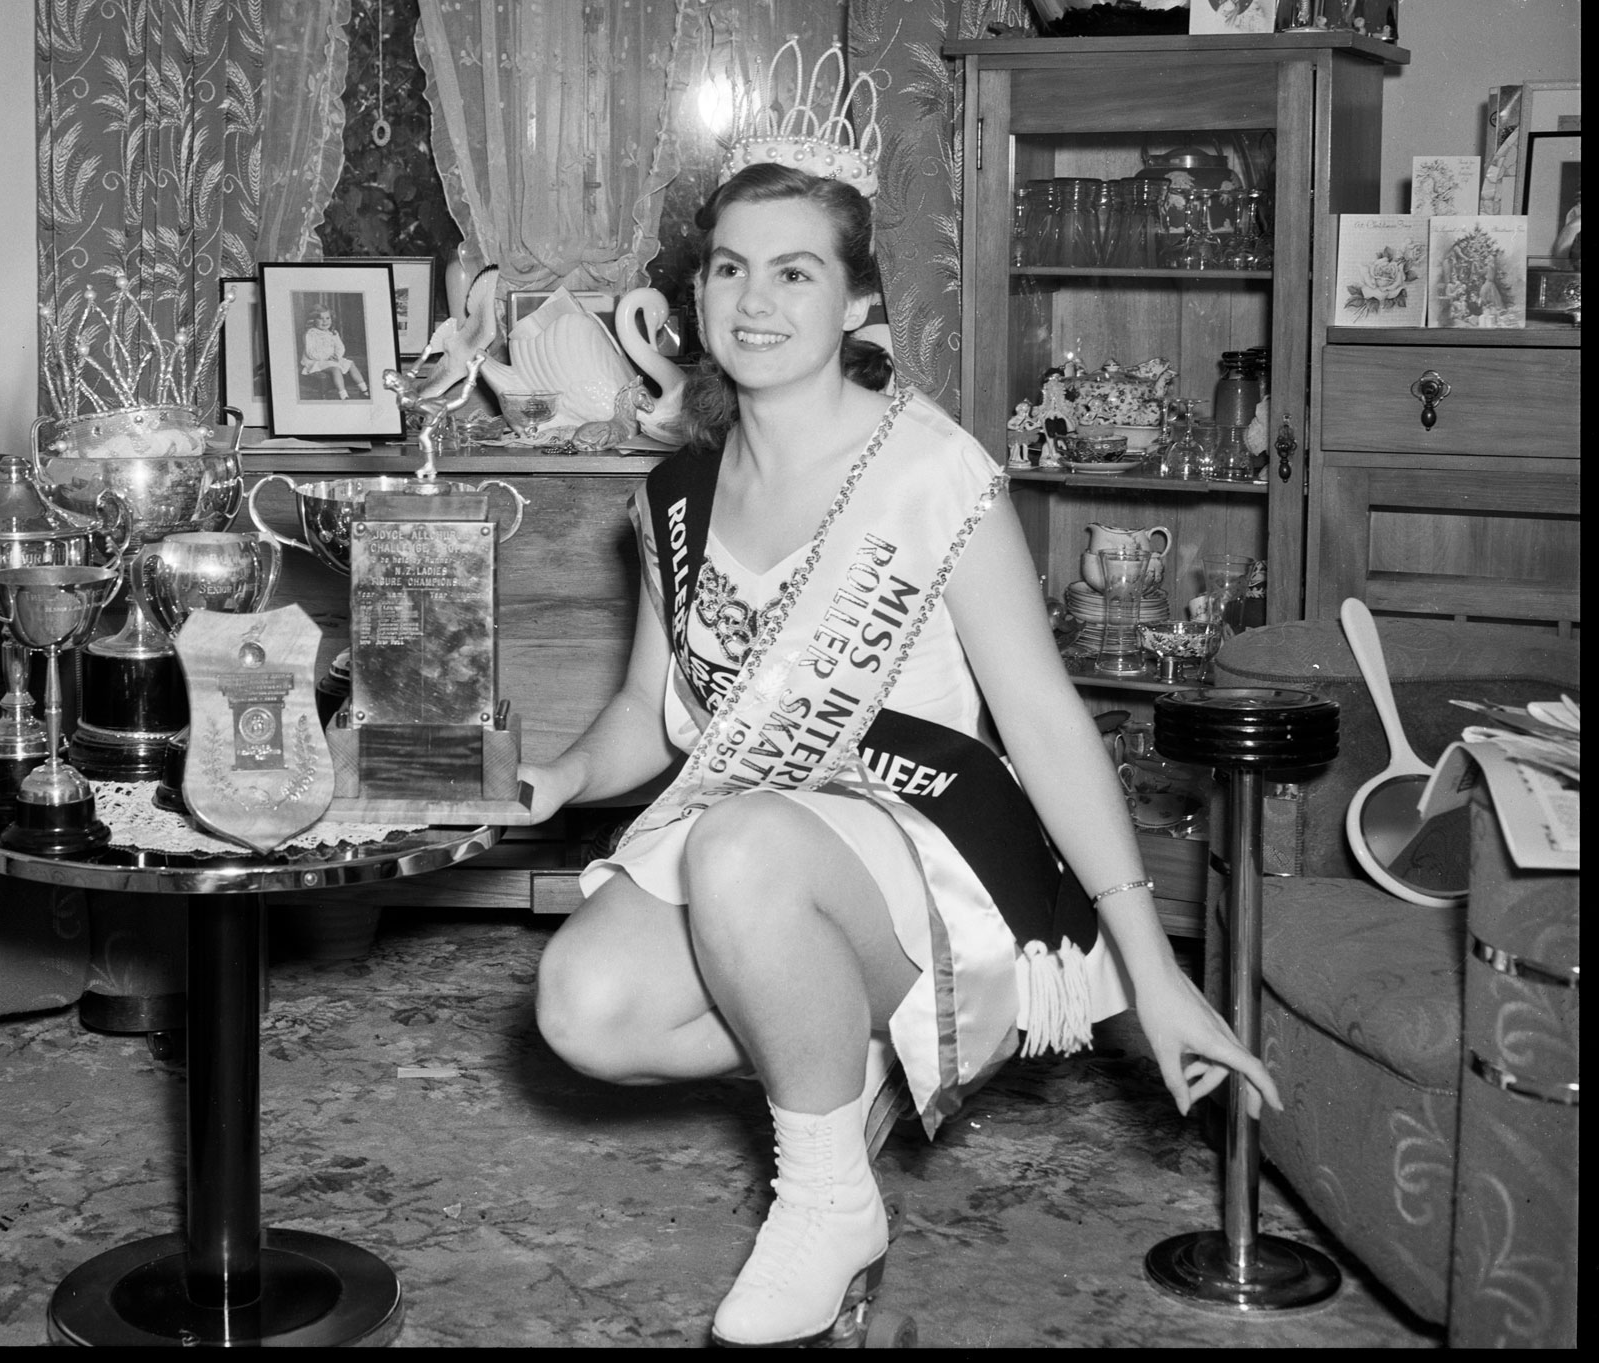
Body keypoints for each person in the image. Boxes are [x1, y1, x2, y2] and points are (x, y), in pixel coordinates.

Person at [522, 162, 1279, 1346]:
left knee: (737, 849)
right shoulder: (675, 495)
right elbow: (646, 710)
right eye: (730, 268)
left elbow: (1041, 716)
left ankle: (826, 1201)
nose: (755, 299)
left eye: (794, 270)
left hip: (929, 847)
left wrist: (1153, 962)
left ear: (855, 305)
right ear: (697, 295)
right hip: (768, 847)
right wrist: (558, 775)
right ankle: (848, 1051)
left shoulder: (932, 474)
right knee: (584, 1004)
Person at [299, 304, 368, 399]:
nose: (325, 321)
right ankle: (344, 395)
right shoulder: (311, 334)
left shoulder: (333, 333)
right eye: (320, 318)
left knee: (350, 363)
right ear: (313, 320)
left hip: (331, 359)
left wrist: (337, 356)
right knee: (336, 369)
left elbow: (340, 347)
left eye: (328, 318)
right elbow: (311, 353)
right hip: (317, 361)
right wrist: (327, 357)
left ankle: (364, 390)